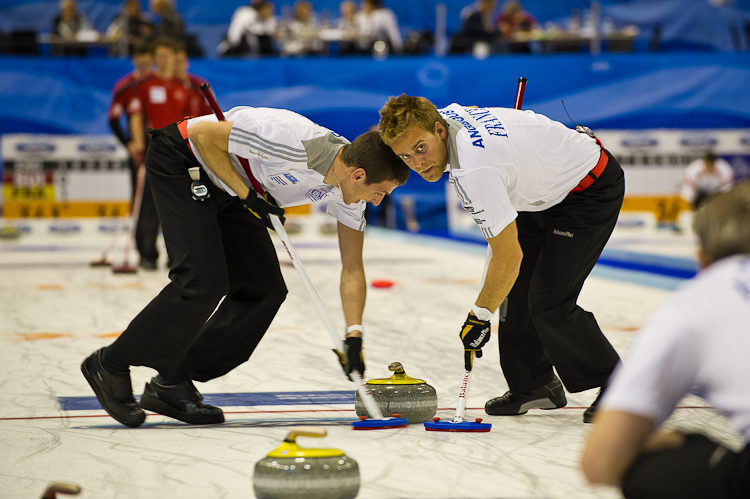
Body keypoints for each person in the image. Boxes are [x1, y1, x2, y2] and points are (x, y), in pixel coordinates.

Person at [80, 106, 410, 428]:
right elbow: (201, 133)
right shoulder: (290, 141)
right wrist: (246, 196)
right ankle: (110, 363)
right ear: (358, 175)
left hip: (238, 185)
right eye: (380, 192)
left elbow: (352, 267)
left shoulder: (348, 190)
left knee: (264, 291)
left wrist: (354, 334)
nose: (378, 201)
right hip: (186, 159)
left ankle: (172, 379)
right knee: (200, 283)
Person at [379, 95, 624, 423]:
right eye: (405, 156)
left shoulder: (473, 168)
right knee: (515, 294)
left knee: (549, 302)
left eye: (420, 149)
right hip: (538, 193)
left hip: (586, 191)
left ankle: (622, 387)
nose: (417, 162)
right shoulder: (445, 116)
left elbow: (508, 257)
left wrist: (479, 315)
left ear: (439, 130)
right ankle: (535, 385)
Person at [581, 181, 750, 499]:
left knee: (652, 470)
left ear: (701, 257)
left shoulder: (699, 300)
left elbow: (599, 463)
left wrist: (683, 442)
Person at [127, 36, 190, 270]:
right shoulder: (144, 84)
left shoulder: (183, 86)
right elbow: (136, 115)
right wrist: (138, 145)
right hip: (154, 151)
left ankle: (177, 257)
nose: (164, 60)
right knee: (148, 207)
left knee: (177, 209)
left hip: (179, 153)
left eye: (168, 55)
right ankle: (146, 254)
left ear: (175, 58)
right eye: (160, 56)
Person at [108, 42, 153, 204]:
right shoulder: (125, 86)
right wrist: (128, 143)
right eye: (140, 58)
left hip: (160, 143)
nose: (143, 61)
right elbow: (113, 120)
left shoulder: (159, 82)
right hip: (138, 146)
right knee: (139, 192)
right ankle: (138, 227)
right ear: (134, 60)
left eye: (147, 58)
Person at [174, 44, 212, 119]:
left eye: (182, 61)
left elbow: (210, 113)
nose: (179, 65)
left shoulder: (200, 84)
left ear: (187, 62)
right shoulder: (166, 86)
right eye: (176, 62)